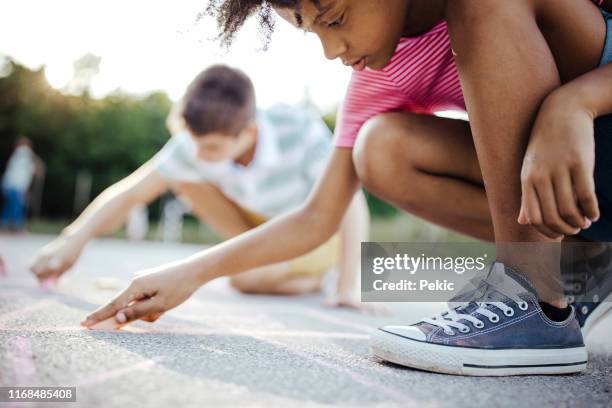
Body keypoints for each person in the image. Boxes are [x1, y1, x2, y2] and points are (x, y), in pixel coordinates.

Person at [83, 0, 612, 375]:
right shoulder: (377, 76)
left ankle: (534, 301)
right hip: (589, 198)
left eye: (335, 19)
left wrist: (576, 102)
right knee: (381, 149)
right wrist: (190, 272)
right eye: (312, 30)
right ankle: (581, 260)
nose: (331, 49)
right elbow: (318, 218)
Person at [31, 64, 370, 308]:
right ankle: (272, 267)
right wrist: (72, 240)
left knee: (245, 280)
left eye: (213, 149)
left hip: (311, 229)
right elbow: (133, 191)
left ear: (248, 132)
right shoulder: (194, 144)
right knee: (180, 177)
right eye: (196, 145)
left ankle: (318, 279)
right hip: (257, 222)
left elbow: (350, 200)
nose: (200, 156)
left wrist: (349, 286)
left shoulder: (298, 129)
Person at [1, 137, 40, 232]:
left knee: (10, 206)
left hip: (9, 185)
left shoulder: (17, 155)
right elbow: (35, 169)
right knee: (17, 206)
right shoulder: (23, 151)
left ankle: (4, 226)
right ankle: (17, 227)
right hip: (16, 186)